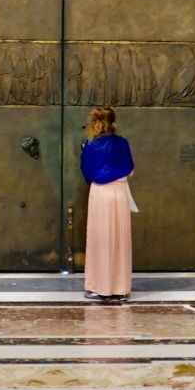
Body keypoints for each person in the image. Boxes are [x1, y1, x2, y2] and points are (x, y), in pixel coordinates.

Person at [80, 106, 134, 304]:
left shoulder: (90, 145)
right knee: (120, 238)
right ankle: (121, 288)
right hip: (119, 192)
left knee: (99, 239)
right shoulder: (123, 143)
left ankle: (99, 287)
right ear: (114, 124)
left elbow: (86, 172)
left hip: (100, 193)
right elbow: (130, 168)